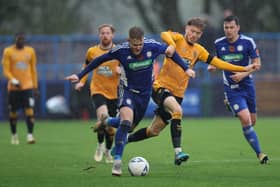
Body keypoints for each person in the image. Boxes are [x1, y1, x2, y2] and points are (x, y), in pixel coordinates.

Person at [125, 17, 258, 165]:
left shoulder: (199, 50)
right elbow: (164, 34)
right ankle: (178, 153)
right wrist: (171, 44)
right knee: (178, 111)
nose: (194, 35)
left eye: (198, 33)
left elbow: (218, 63)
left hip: (178, 94)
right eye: (192, 31)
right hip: (160, 88)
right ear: (186, 28)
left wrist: (243, 68)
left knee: (153, 131)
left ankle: (124, 140)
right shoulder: (177, 38)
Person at [65, 26, 195, 176]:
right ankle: (117, 162)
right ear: (129, 41)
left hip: (144, 95)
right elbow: (98, 61)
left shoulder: (151, 46)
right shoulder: (121, 50)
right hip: (127, 91)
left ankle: (106, 121)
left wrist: (186, 69)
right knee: (126, 123)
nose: (137, 48)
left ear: (142, 41)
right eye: (134, 45)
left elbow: (171, 52)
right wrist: (80, 75)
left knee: (131, 127)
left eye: (140, 44)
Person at [207, 15, 268, 164]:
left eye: (231, 27)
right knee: (245, 119)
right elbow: (216, 61)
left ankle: (231, 106)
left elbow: (257, 64)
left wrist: (243, 74)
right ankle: (260, 154)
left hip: (247, 86)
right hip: (232, 88)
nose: (228, 30)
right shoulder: (218, 43)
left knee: (252, 122)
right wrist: (212, 66)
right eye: (226, 28)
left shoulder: (248, 42)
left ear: (238, 28)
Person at [74, 24, 120, 163]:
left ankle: (107, 151)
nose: (105, 35)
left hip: (114, 93)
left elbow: (127, 67)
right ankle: (99, 145)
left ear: (112, 35)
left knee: (110, 130)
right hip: (97, 90)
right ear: (99, 35)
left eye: (107, 33)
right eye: (102, 33)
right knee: (103, 118)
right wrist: (81, 81)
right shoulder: (92, 51)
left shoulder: (119, 51)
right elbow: (86, 66)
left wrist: (121, 70)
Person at [2, 32, 39, 145]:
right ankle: (14, 135)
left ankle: (30, 135)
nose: (21, 41)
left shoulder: (30, 51)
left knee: (29, 110)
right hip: (13, 88)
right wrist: (13, 80)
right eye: (19, 39)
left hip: (27, 86)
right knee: (13, 112)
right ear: (15, 40)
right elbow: (6, 70)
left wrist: (35, 87)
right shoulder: (8, 51)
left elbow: (33, 70)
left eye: (23, 39)